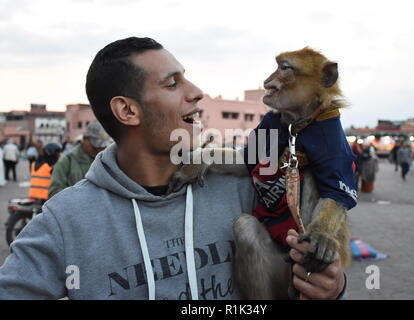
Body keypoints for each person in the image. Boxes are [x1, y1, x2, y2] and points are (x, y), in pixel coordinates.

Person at [0, 37, 345, 300]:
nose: (197, 93)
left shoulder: (246, 191)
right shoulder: (66, 220)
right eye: (172, 83)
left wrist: (332, 285)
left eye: (188, 80)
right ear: (128, 111)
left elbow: (304, 260)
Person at [48, 121, 111, 198]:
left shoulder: (107, 161)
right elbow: (53, 192)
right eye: (95, 148)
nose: (99, 151)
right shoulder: (67, 162)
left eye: (102, 148)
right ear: (85, 139)